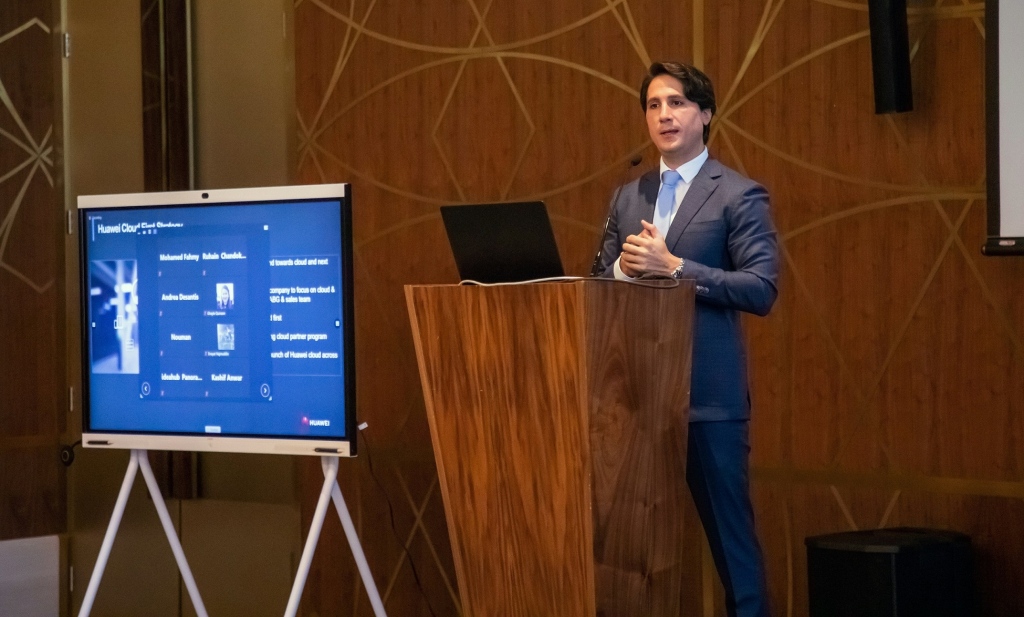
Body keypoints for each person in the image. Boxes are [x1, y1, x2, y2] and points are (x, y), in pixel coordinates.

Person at [593, 61, 779, 617]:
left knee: (732, 548)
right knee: (628, 552)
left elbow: (761, 288)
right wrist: (623, 271)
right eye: (653, 105)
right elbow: (597, 283)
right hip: (634, 401)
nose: (664, 115)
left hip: (707, 401)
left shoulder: (738, 195)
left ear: (706, 114)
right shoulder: (628, 196)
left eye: (676, 102)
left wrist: (675, 267)